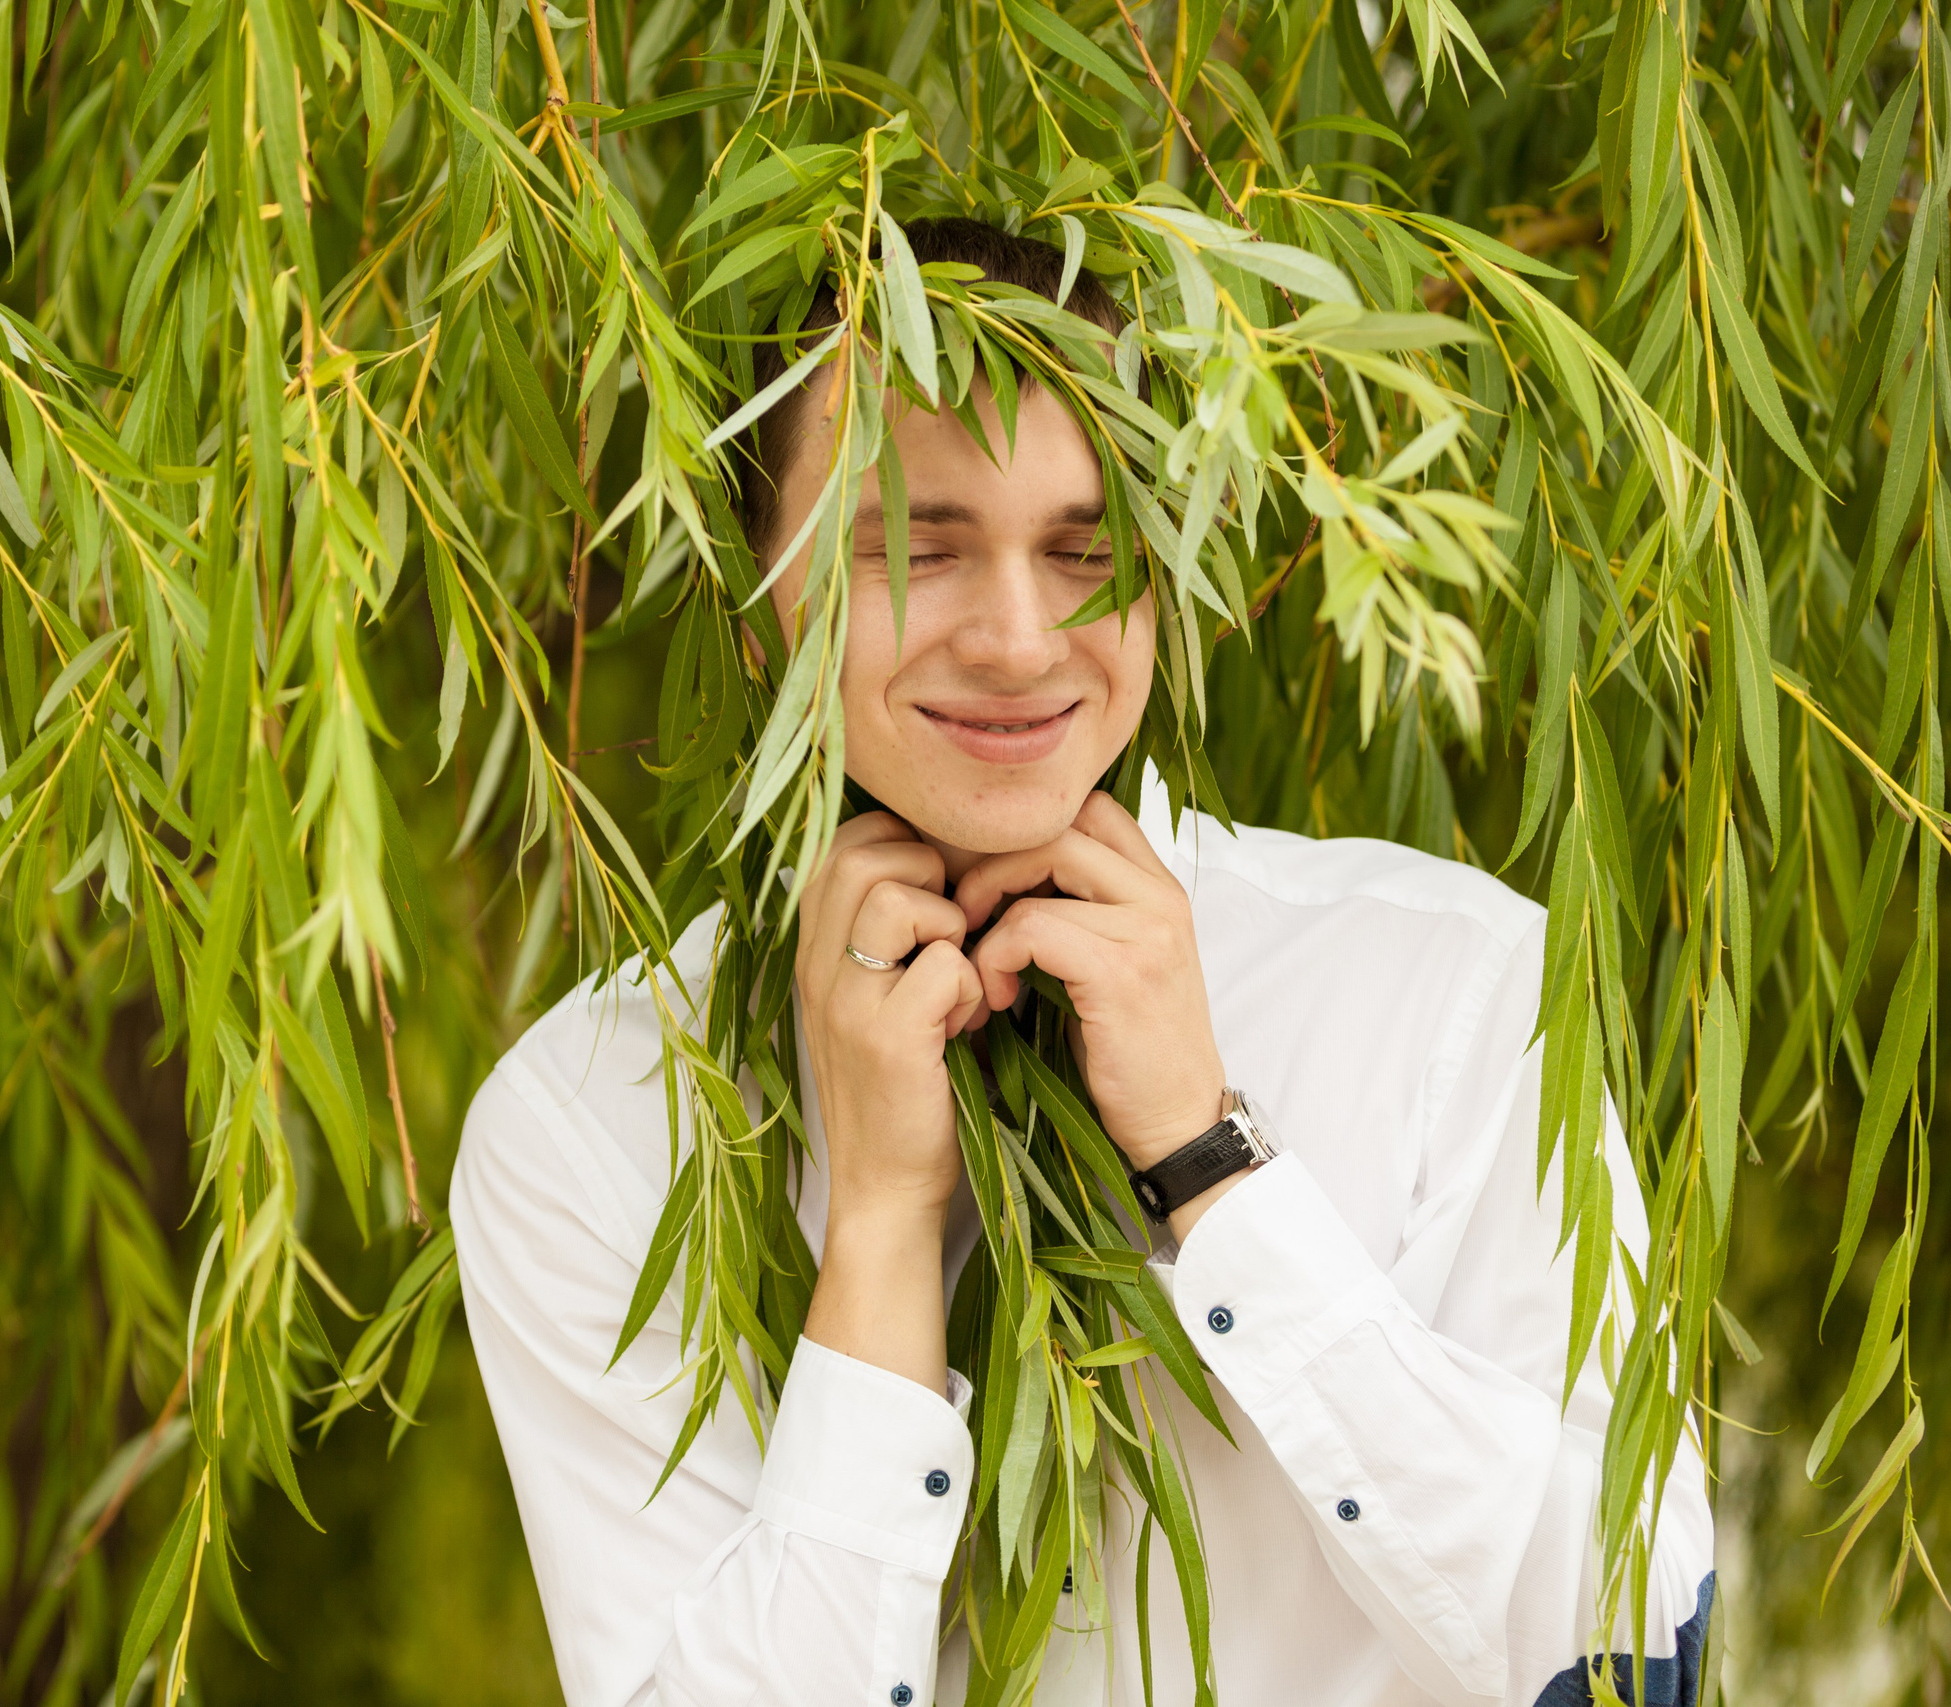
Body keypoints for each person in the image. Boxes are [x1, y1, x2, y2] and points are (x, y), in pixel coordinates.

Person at [448, 218, 1715, 1707]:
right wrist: (875, 1231)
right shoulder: (594, 1126)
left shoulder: (1449, 988)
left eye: (1084, 551)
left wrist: (1215, 1166)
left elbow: (1636, 1651)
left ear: (1167, 583)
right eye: (915, 551)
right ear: (757, 605)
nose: (1016, 637)